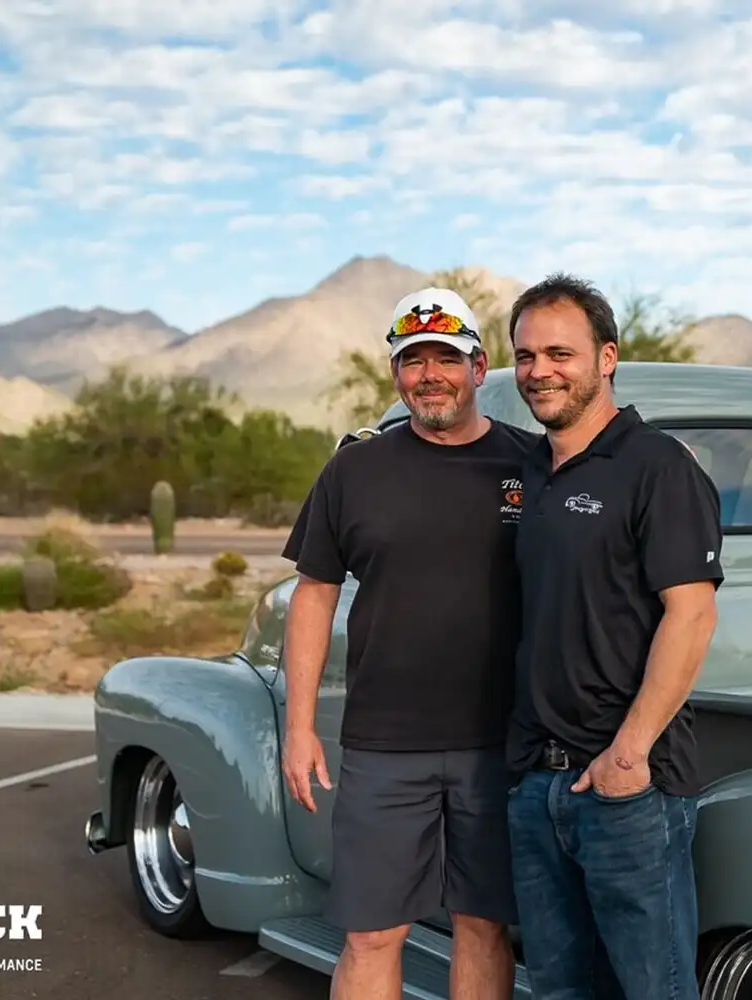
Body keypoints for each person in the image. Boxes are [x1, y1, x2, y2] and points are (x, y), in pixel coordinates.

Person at [280, 286, 537, 1000]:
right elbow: (314, 593)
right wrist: (299, 728)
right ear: (395, 374)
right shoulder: (354, 471)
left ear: (478, 368)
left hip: (499, 744)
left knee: (483, 926)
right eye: (413, 361)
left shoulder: (531, 464)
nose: (430, 376)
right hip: (385, 744)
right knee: (371, 934)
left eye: (446, 359)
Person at [503, 273, 724, 1000]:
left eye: (559, 353)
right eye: (526, 355)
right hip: (537, 784)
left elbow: (692, 615)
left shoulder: (656, 466)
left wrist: (627, 756)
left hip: (628, 791)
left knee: (653, 988)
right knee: (561, 988)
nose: (539, 371)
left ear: (606, 358)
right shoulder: (528, 474)